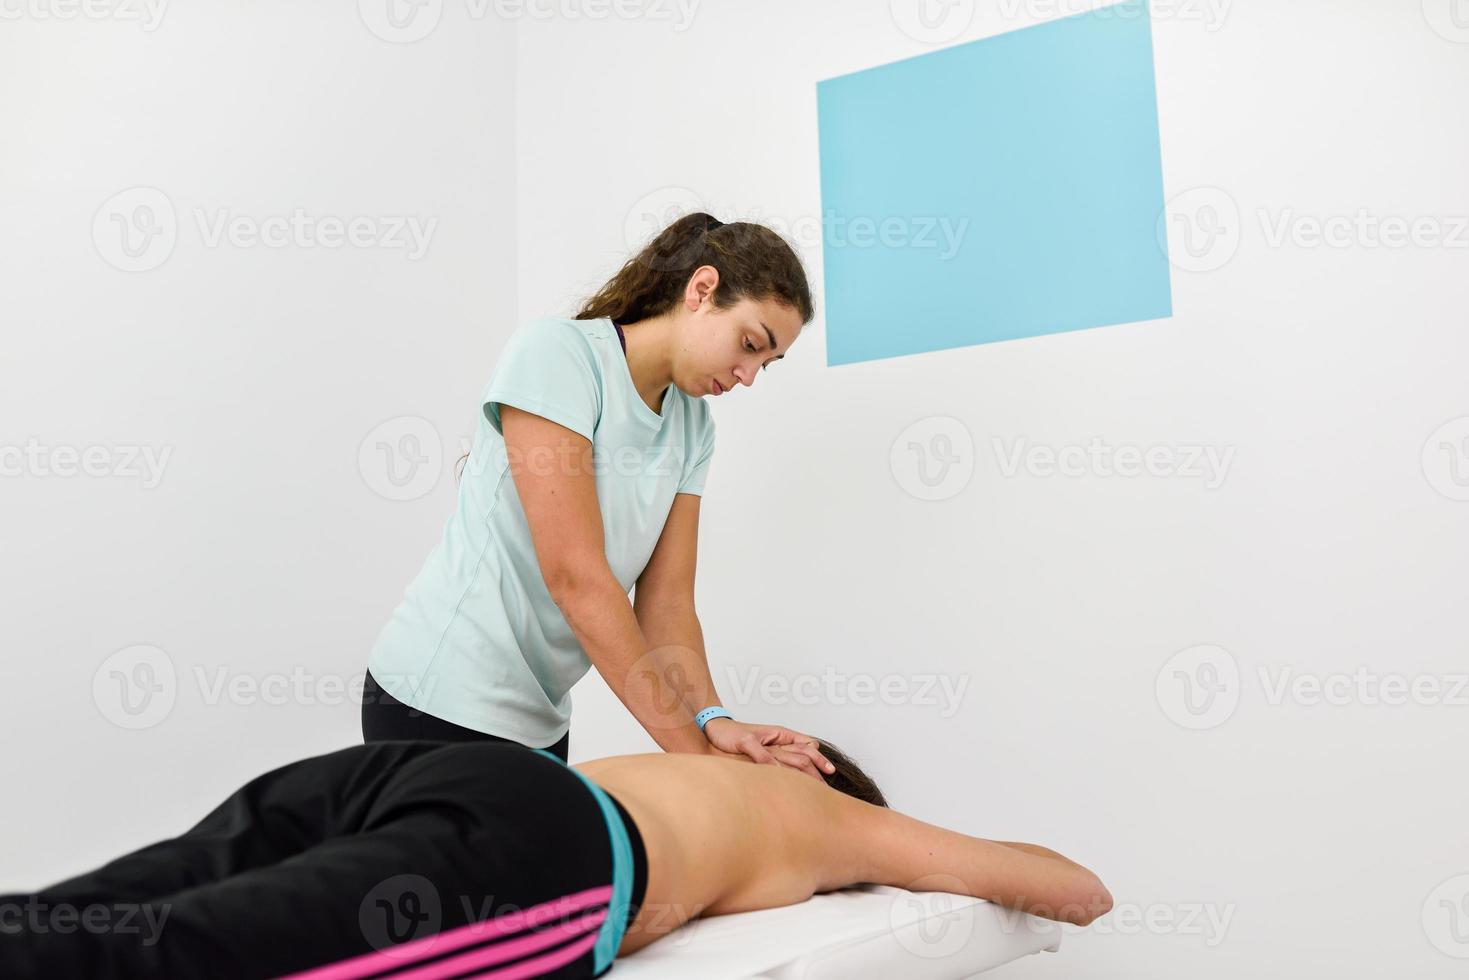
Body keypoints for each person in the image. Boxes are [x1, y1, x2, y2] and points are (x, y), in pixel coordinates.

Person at [362, 212, 833, 780]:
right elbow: (576, 579)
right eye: (750, 344)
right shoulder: (558, 356)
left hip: (539, 722)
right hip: (438, 696)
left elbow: (667, 607)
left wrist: (713, 720)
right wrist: (695, 756)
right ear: (702, 290)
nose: (749, 375)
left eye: (767, 363)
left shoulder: (693, 428)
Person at [0, 739, 1112, 979]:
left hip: (432, 769)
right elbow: (1069, 883)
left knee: (111, 907)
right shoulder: (813, 814)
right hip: (554, 844)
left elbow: (1065, 890)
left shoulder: (706, 765)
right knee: (201, 956)